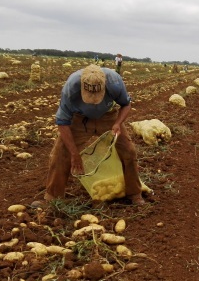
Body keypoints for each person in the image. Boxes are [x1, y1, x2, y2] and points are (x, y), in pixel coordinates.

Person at [43, 64, 145, 205]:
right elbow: (62, 122)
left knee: (128, 151)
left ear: (104, 85)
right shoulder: (71, 87)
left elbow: (126, 104)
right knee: (60, 153)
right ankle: (53, 198)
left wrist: (117, 123)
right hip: (79, 119)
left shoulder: (114, 82)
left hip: (108, 117)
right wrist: (74, 153)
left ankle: (134, 193)